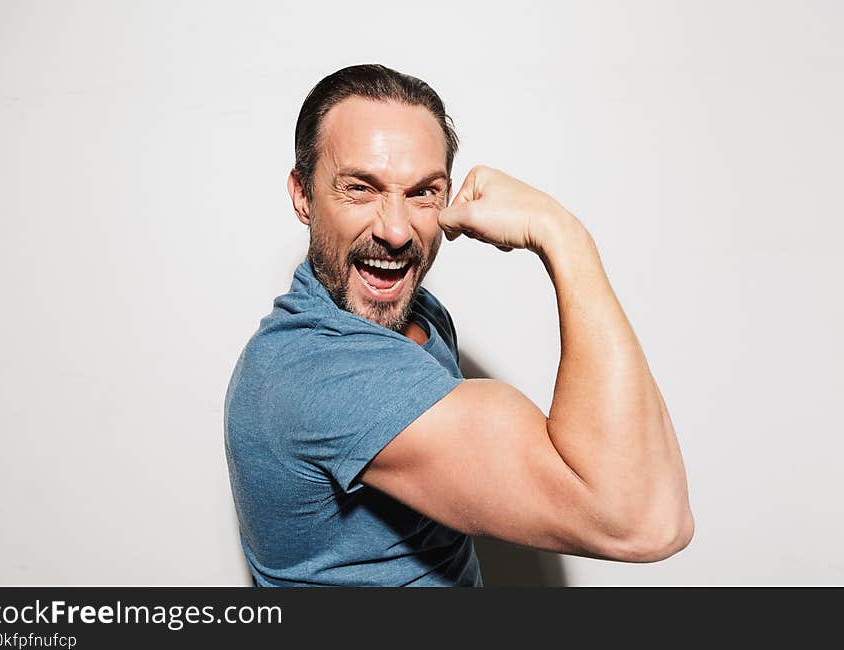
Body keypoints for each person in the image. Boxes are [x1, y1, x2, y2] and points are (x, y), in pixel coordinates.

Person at [224, 64, 693, 587]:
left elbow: (654, 489)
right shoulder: (318, 373)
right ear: (303, 195)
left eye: (424, 192)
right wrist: (563, 235)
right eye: (361, 188)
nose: (397, 230)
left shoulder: (418, 312)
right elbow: (646, 522)